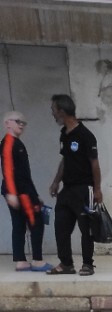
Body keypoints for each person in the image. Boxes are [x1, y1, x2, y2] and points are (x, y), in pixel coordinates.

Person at [47, 93, 102, 276]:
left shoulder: (86, 136)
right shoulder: (64, 134)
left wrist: (97, 189)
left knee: (85, 228)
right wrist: (56, 181)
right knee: (60, 225)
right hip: (67, 189)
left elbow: (94, 163)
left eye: (54, 110)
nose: (53, 114)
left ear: (62, 111)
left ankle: (88, 264)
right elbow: (65, 160)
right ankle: (66, 263)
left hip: (83, 188)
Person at [1, 111, 51, 272]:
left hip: (23, 191)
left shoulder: (15, 143)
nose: (21, 124)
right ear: (7, 123)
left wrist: (35, 194)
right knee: (36, 223)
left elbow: (23, 173)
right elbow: (7, 169)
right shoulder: (9, 142)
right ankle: (37, 261)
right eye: (18, 121)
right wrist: (11, 192)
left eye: (24, 122)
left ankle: (21, 261)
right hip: (20, 193)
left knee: (19, 225)